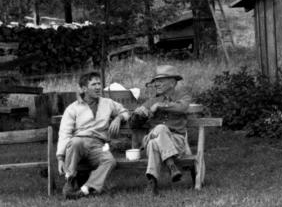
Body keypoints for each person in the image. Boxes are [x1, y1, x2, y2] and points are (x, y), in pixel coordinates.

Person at [57, 71, 131, 199]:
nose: (98, 87)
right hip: (79, 143)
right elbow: (65, 133)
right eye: (94, 84)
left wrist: (118, 118)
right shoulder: (73, 108)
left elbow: (125, 111)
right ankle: (71, 183)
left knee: (110, 161)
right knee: (75, 142)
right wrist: (60, 157)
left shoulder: (107, 103)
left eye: (99, 84)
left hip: (98, 145)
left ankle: (86, 189)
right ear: (84, 88)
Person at [131, 65, 191, 194]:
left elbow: (182, 108)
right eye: (155, 81)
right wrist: (138, 115)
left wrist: (160, 106)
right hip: (153, 137)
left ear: (173, 82)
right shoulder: (151, 100)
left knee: (155, 142)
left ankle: (152, 184)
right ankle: (171, 166)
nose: (156, 84)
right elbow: (134, 125)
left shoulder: (183, 97)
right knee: (161, 129)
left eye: (161, 80)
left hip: (176, 141)